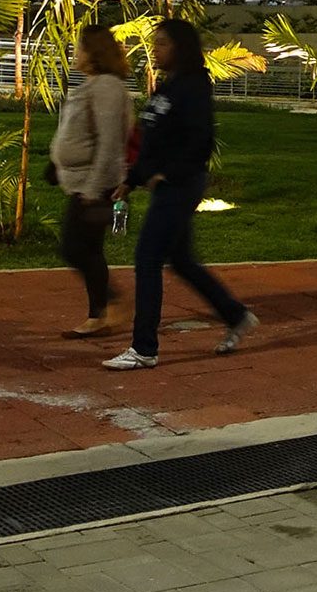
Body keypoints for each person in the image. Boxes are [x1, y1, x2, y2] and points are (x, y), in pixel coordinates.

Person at [102, 18, 255, 369]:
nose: (155, 49)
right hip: (166, 183)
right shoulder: (167, 88)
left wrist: (165, 173)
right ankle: (236, 315)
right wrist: (133, 178)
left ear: (181, 48)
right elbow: (152, 139)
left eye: (163, 44)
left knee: (148, 258)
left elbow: (199, 141)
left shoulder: (193, 88)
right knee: (182, 260)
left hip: (181, 185)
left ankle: (144, 348)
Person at [53, 23, 133, 337]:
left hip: (96, 185)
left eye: (80, 47)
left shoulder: (106, 87)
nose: (76, 53)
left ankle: (109, 305)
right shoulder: (92, 84)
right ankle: (99, 314)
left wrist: (93, 187)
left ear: (93, 52)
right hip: (83, 182)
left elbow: (111, 141)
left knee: (74, 248)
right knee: (89, 249)